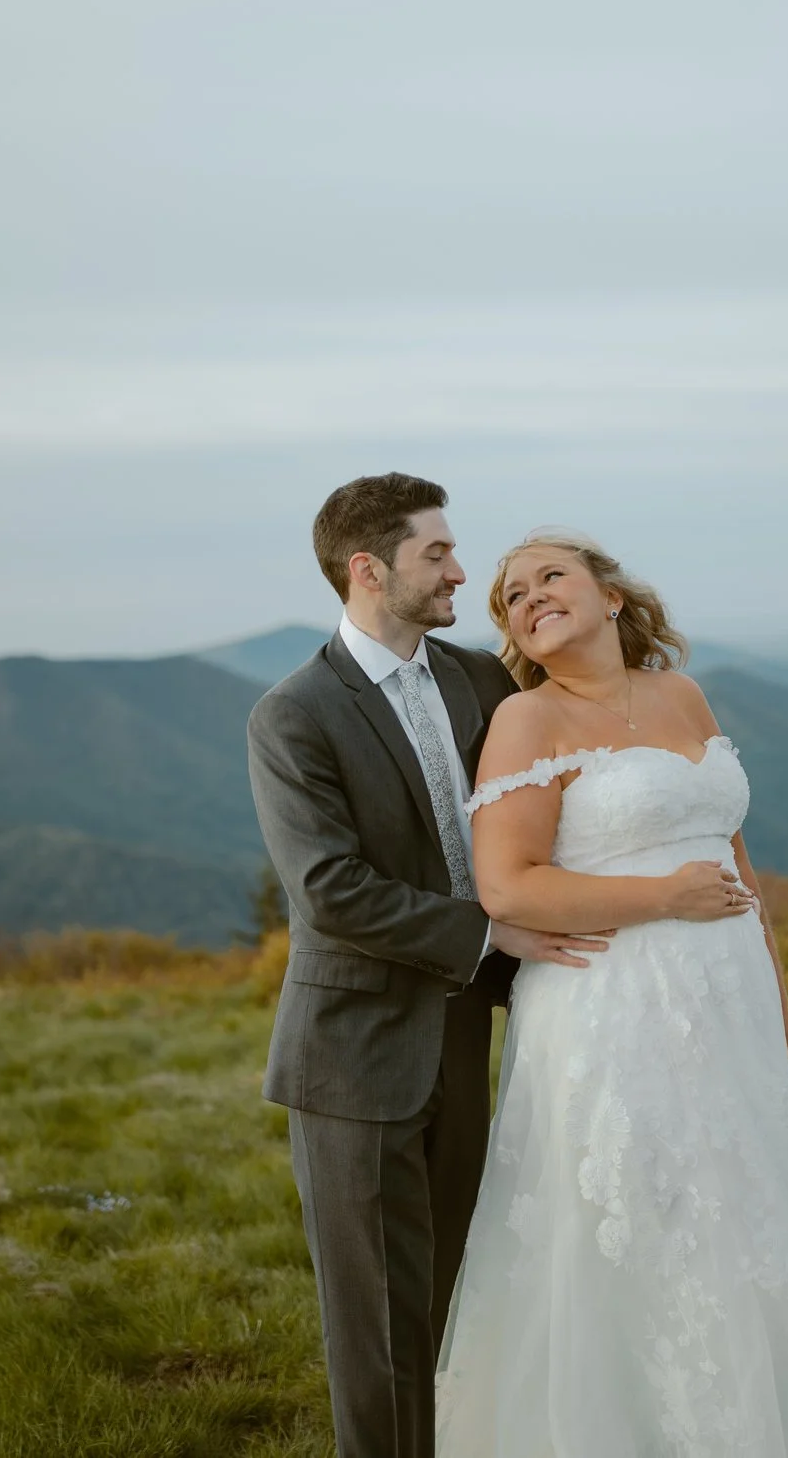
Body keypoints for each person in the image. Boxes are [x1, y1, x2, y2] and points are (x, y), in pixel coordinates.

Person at [434, 527, 788, 1457]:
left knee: (753, 1212)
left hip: (728, 1009)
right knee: (644, 1220)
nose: (528, 598)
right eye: (511, 597)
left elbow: (736, 859)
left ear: (610, 594)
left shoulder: (682, 692)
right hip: (610, 1005)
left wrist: (780, 1004)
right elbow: (508, 885)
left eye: (549, 576)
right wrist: (661, 896)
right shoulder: (530, 719)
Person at [246, 475, 612, 1458]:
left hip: (465, 1036)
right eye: (437, 554)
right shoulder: (294, 715)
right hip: (353, 1054)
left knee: (457, 1297)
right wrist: (496, 937)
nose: (461, 570)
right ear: (368, 569)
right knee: (377, 1330)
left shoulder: (478, 683)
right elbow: (331, 890)